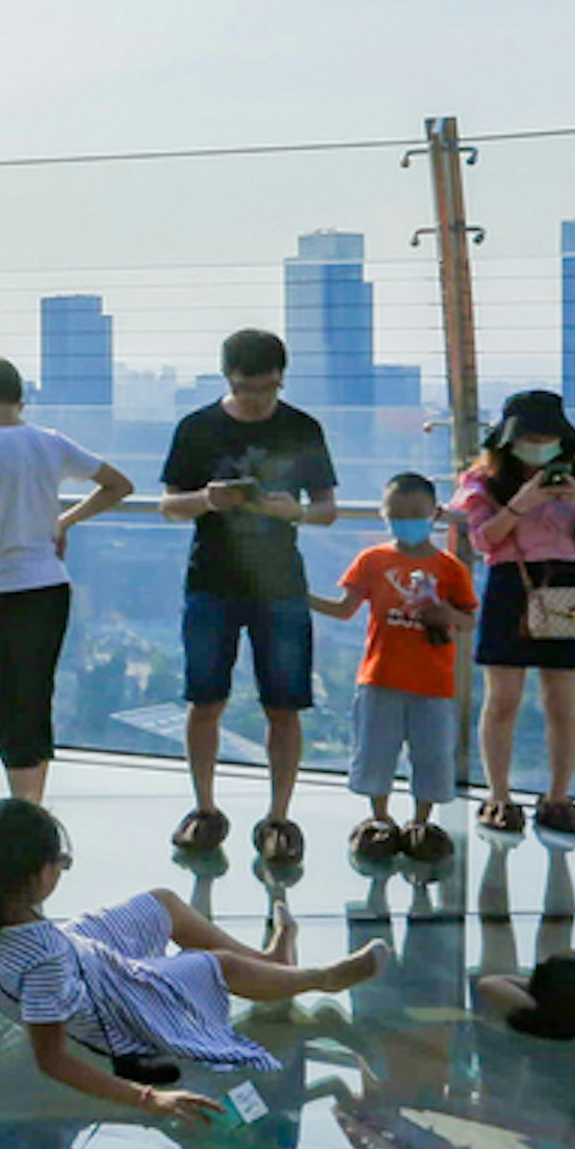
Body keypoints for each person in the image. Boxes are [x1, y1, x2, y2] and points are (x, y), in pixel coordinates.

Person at [0, 795, 383, 1124]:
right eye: (57, 862)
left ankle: (274, 962)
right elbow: (53, 1059)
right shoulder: (44, 961)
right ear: (32, 873)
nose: (60, 870)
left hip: (76, 948)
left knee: (162, 905)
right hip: (104, 994)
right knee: (213, 966)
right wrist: (147, 1099)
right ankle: (321, 979)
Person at [158, 328, 338, 866]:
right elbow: (170, 505)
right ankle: (204, 809)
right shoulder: (197, 428)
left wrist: (294, 511)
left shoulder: (303, 428)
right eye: (248, 387)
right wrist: (206, 500)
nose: (259, 399)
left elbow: (327, 507)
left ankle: (279, 817)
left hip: (281, 583)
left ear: (282, 380)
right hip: (211, 580)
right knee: (204, 701)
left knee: (283, 706)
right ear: (227, 378)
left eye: (268, 388)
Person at [0, 358, 133, 802]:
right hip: (51, 585)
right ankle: (32, 807)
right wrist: (62, 522)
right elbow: (118, 485)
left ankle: (22, 811)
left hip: (5, 588)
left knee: (5, 701)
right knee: (36, 695)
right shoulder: (50, 442)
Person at [456, 389, 575, 840]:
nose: (539, 447)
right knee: (502, 698)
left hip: (566, 586)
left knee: (562, 703)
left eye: (548, 439)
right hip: (512, 585)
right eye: (530, 438)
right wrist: (521, 502)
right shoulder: (483, 481)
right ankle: (499, 796)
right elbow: (485, 540)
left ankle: (558, 797)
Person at [312, 474, 474, 868]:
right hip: (380, 675)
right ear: (383, 514)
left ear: (434, 514)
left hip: (433, 681)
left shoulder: (449, 568)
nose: (406, 521)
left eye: (415, 514)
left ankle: (422, 823)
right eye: (397, 514)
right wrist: (299, 596)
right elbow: (344, 607)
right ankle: (380, 818)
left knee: (432, 754)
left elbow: (468, 620)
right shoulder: (372, 560)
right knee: (376, 753)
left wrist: (444, 613)